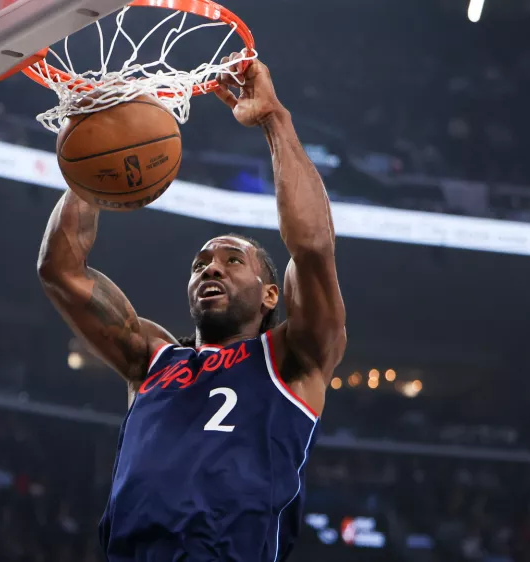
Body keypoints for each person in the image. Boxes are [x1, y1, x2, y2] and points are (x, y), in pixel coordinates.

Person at [37, 54, 346, 561]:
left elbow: (312, 248)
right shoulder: (151, 359)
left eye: (232, 260)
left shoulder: (293, 358)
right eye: (200, 263)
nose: (211, 268)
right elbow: (61, 272)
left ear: (272, 295)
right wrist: (92, 164)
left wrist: (275, 120)